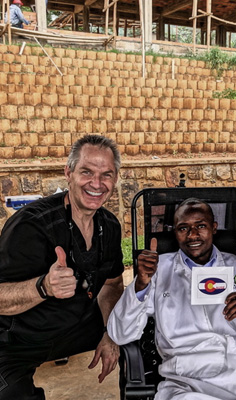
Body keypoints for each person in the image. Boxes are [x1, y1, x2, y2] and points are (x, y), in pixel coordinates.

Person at [108, 198, 236, 400]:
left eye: (201, 226)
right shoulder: (158, 271)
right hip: (188, 380)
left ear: (214, 228)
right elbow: (120, 334)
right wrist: (140, 285)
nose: (192, 235)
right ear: (175, 233)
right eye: (183, 228)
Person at [0, 135, 125, 399]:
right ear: (68, 172)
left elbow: (112, 285)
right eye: (87, 172)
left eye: (106, 174)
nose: (97, 183)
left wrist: (110, 333)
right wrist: (43, 287)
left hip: (76, 327)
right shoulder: (31, 226)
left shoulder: (110, 226)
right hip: (17, 340)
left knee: (141, 330)